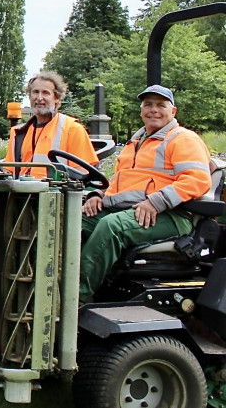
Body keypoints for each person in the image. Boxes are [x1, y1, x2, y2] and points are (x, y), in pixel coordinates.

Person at [80, 85, 211, 304]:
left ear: (173, 111)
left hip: (172, 215)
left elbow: (198, 180)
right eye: (148, 104)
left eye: (161, 105)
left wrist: (156, 202)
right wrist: (99, 195)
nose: (154, 110)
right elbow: (121, 182)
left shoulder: (183, 139)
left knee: (112, 227)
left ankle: (76, 298)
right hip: (133, 209)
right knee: (73, 221)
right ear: (141, 110)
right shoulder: (136, 142)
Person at [5, 72, 98, 177]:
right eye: (35, 92)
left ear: (57, 98)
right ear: (29, 96)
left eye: (46, 93)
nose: (39, 98)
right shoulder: (18, 132)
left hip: (58, 192)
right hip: (21, 191)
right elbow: (9, 171)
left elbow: (82, 175)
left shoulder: (72, 129)